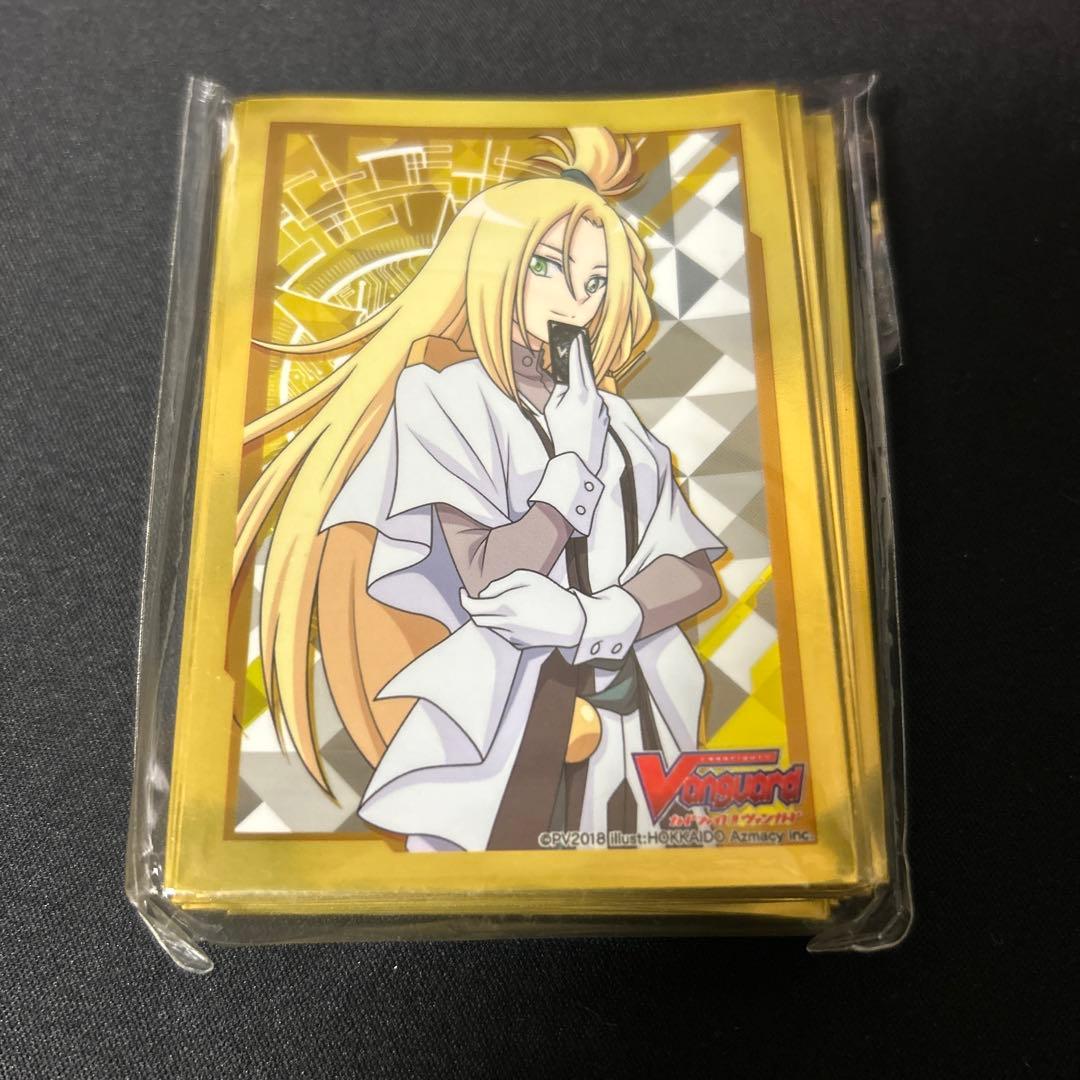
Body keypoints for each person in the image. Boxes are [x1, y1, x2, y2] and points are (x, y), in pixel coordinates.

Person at [234, 127, 727, 851]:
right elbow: (491, 574)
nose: (575, 300)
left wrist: (595, 618)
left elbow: (692, 570)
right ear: (496, 268)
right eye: (548, 268)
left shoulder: (616, 417)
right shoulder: (443, 396)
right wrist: (570, 465)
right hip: (502, 723)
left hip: (640, 717)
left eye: (595, 282)